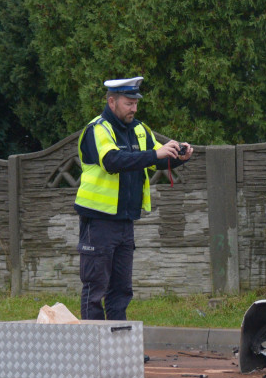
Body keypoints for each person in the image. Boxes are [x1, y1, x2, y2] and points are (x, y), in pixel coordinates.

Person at [75, 77, 192, 320]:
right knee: (95, 289)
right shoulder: (98, 129)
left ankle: (119, 341)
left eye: (136, 103)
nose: (134, 109)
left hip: (125, 221)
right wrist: (155, 154)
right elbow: (112, 161)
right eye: (129, 103)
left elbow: (157, 158)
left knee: (121, 291)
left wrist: (178, 156)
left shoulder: (139, 129)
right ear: (112, 102)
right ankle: (94, 343)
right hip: (98, 221)